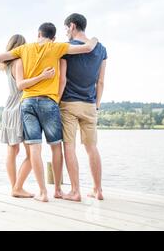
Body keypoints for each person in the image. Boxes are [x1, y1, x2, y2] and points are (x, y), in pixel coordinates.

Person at [0, 23, 98, 202]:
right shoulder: (56, 47)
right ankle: (57, 189)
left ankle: (42, 192)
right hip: (49, 102)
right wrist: (95, 39)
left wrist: (17, 53)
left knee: (34, 148)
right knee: (55, 146)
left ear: (38, 34)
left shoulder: (24, 49)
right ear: (54, 37)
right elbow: (88, 47)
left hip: (26, 103)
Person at [0, 34, 55, 198]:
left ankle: (15, 187)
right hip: (20, 106)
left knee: (12, 151)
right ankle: (17, 187)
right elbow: (22, 84)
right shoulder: (19, 62)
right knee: (31, 153)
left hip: (8, 108)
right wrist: (42, 77)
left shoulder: (6, 65)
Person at [58, 13, 107, 201]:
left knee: (69, 147)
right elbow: (100, 81)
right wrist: (97, 104)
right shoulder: (101, 49)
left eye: (65, 29)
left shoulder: (67, 48)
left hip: (69, 103)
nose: (66, 33)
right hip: (90, 104)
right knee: (91, 147)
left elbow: (62, 79)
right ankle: (97, 189)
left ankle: (75, 191)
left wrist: (57, 101)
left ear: (72, 26)